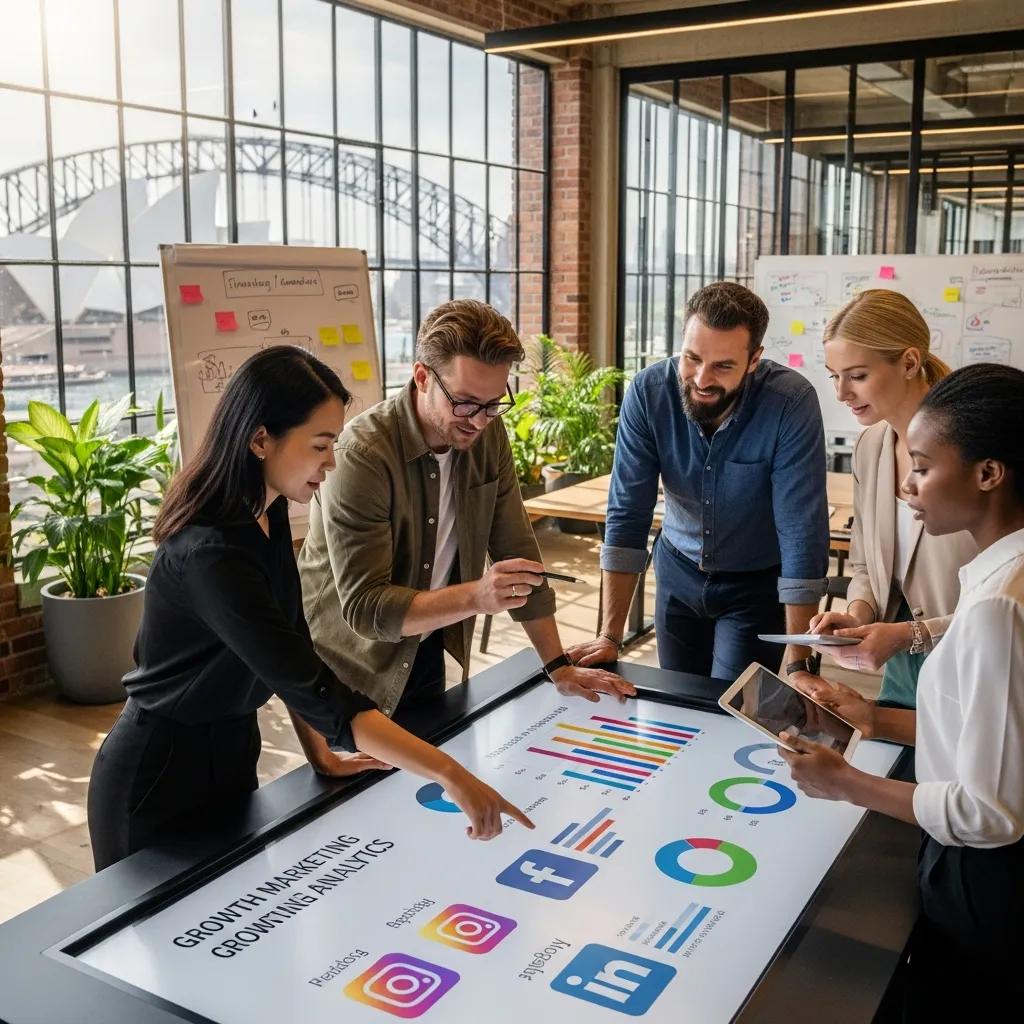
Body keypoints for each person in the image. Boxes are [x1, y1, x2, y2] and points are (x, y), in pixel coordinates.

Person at [87, 346, 534, 871]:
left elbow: (296, 645)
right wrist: (450, 775)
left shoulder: (270, 515)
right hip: (155, 776)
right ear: (260, 440)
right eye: (321, 445)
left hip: (232, 755)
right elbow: (312, 685)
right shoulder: (210, 554)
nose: (332, 462)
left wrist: (319, 752)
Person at [782, 364, 1024, 1016]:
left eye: (921, 465)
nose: (908, 484)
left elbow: (991, 813)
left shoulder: (999, 606)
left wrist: (846, 783)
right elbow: (995, 735)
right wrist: (875, 722)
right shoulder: (997, 578)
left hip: (984, 891)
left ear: (988, 474)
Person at [296, 299, 633, 761]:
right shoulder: (361, 454)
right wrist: (477, 596)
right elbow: (367, 609)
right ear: (421, 377)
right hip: (351, 670)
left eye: (494, 404)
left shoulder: (487, 433)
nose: (479, 420)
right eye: (465, 403)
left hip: (429, 644)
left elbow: (516, 550)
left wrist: (557, 666)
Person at [569, 282, 829, 686]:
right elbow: (628, 513)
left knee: (729, 709)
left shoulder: (790, 404)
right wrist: (609, 635)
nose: (701, 379)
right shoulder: (649, 392)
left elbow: (801, 533)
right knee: (678, 698)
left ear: (754, 359)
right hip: (677, 574)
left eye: (723, 366)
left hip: (755, 585)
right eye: (692, 358)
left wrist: (798, 660)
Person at [803, 290, 976, 708]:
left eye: (857, 375)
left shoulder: (973, 442)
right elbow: (864, 563)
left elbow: (1011, 592)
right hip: (905, 664)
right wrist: (857, 615)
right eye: (834, 375)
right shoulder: (871, 446)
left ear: (910, 362)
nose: (842, 392)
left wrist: (911, 633)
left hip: (977, 662)